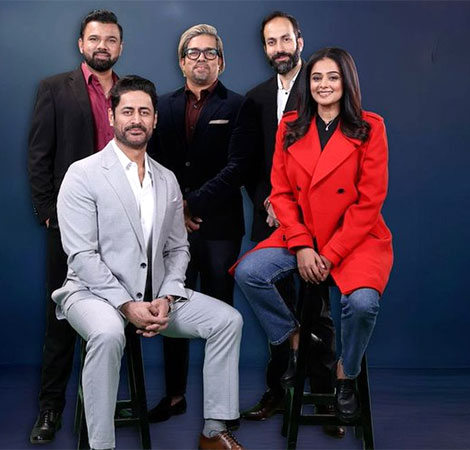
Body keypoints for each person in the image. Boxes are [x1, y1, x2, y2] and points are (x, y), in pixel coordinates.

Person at [52, 76, 244, 450]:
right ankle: (101, 446)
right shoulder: (83, 174)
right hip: (91, 295)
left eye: (144, 112)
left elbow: (177, 249)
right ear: (112, 117)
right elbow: (82, 256)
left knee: (227, 321)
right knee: (108, 334)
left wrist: (168, 296)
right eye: (127, 111)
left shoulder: (166, 180)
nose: (136, 119)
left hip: (155, 297)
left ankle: (213, 432)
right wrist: (127, 304)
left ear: (155, 119)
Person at [234, 47, 393, 423]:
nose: (323, 85)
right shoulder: (291, 126)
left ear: (347, 82)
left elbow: (369, 202)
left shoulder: (370, 127)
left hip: (355, 239)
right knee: (249, 272)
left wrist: (331, 253)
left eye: (332, 77)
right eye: (317, 77)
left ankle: (346, 374)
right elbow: (281, 193)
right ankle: (297, 340)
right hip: (303, 234)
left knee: (363, 304)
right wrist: (303, 244)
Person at [147, 24, 257, 425]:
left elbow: (238, 167)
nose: (202, 59)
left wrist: (190, 204)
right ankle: (175, 395)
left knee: (221, 314)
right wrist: (175, 208)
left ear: (221, 62)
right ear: (181, 61)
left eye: (210, 53)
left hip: (220, 227)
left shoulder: (240, 106)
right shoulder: (162, 105)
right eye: (193, 52)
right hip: (171, 225)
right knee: (171, 303)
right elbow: (152, 164)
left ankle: (219, 406)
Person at [242, 12, 342, 437]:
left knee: (317, 308)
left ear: (299, 41)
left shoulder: (320, 87)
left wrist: (290, 207)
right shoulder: (256, 98)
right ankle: (279, 393)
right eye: (271, 42)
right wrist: (268, 201)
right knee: (275, 306)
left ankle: (324, 396)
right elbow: (250, 162)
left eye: (285, 39)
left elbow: (331, 160)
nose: (279, 48)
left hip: (316, 220)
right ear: (265, 48)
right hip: (269, 217)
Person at [27, 9, 124, 444]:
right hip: (70, 223)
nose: (102, 46)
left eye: (110, 39)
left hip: (121, 224)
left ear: (120, 46)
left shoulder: (132, 91)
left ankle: (100, 410)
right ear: (81, 44)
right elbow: (39, 155)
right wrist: (48, 211)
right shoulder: (54, 89)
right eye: (95, 39)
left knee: (116, 314)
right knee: (62, 317)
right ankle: (51, 409)